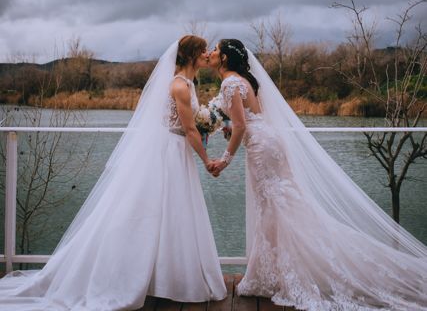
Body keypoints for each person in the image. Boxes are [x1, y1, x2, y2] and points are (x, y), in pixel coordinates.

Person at [0, 36, 227, 310]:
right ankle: (134, 277)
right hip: (170, 153)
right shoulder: (179, 85)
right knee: (152, 212)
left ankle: (166, 279)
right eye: (203, 50)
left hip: (176, 151)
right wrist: (206, 160)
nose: (206, 54)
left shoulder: (188, 83)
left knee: (175, 213)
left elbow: (190, 125)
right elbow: (189, 129)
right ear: (192, 55)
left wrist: (206, 127)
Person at [209, 38, 427, 310]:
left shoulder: (230, 83)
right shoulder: (244, 81)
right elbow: (254, 117)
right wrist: (231, 125)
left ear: (226, 58)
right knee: (279, 206)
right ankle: (268, 274)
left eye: (215, 50)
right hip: (270, 142)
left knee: (273, 208)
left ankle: (274, 276)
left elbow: (241, 125)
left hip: (260, 149)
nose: (211, 53)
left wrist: (224, 160)